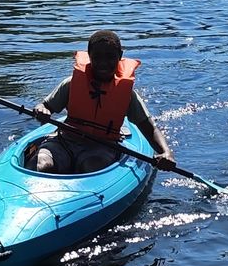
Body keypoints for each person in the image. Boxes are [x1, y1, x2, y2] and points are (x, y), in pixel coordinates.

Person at [28, 30, 177, 175]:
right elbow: (44, 106)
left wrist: (166, 152)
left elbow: (150, 128)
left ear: (120, 57)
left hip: (102, 146)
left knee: (90, 166)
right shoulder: (71, 84)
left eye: (110, 57)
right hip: (65, 141)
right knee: (44, 165)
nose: (103, 63)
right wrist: (41, 110)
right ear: (89, 56)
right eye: (97, 57)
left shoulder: (128, 95)